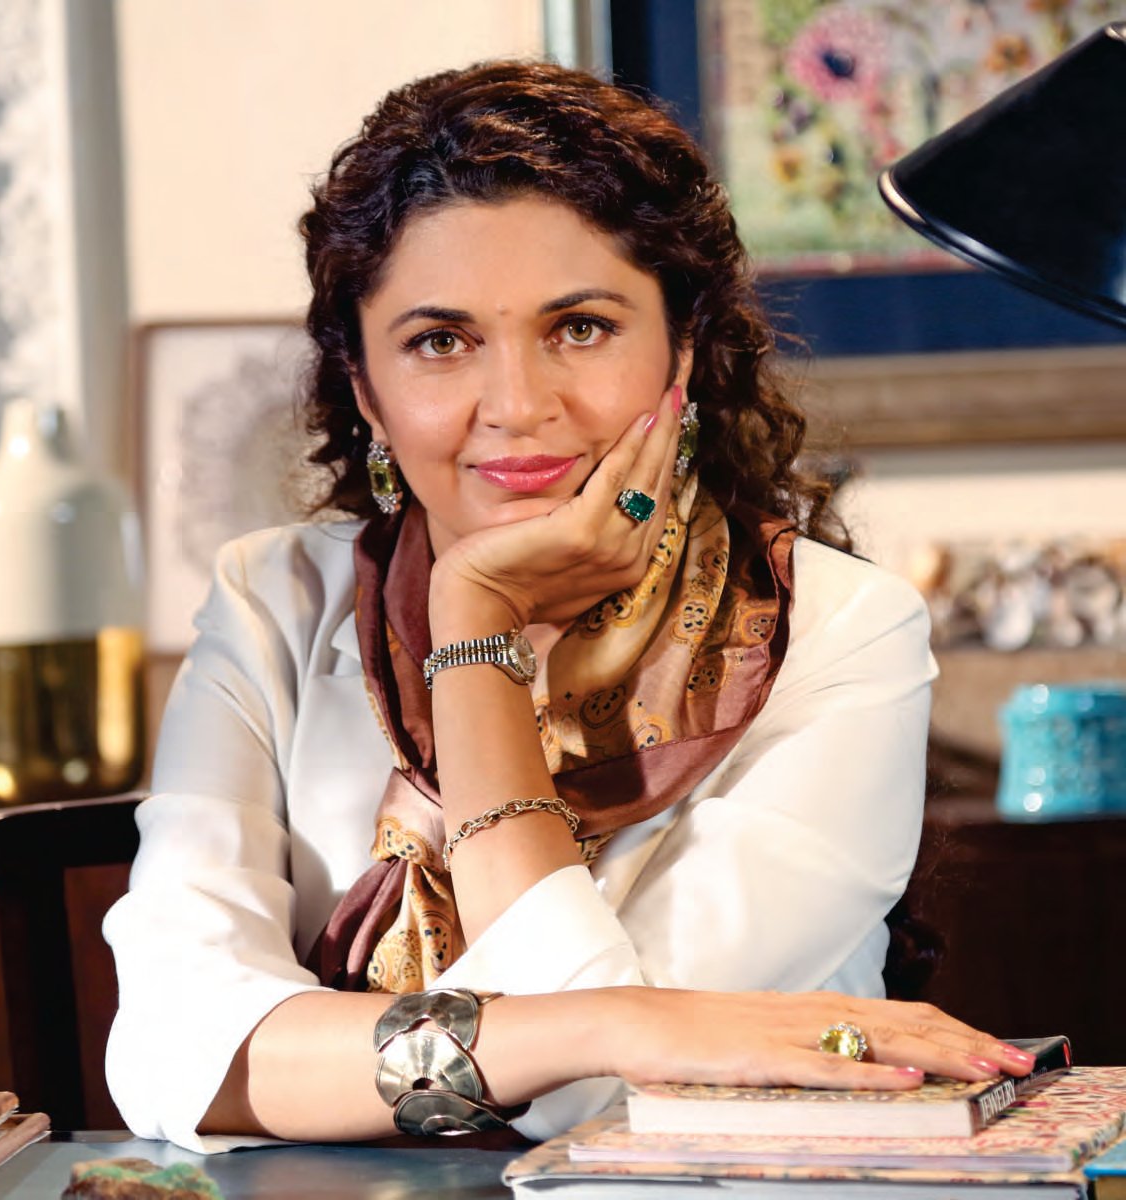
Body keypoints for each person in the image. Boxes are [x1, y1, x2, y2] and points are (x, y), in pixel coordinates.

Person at [103, 60, 1035, 1152]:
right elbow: (172, 1051)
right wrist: (623, 1021)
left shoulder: (843, 632)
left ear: (682, 350)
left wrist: (476, 629)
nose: (517, 406)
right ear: (365, 388)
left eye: (581, 328)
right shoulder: (271, 603)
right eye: (440, 342)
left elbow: (596, 1110)